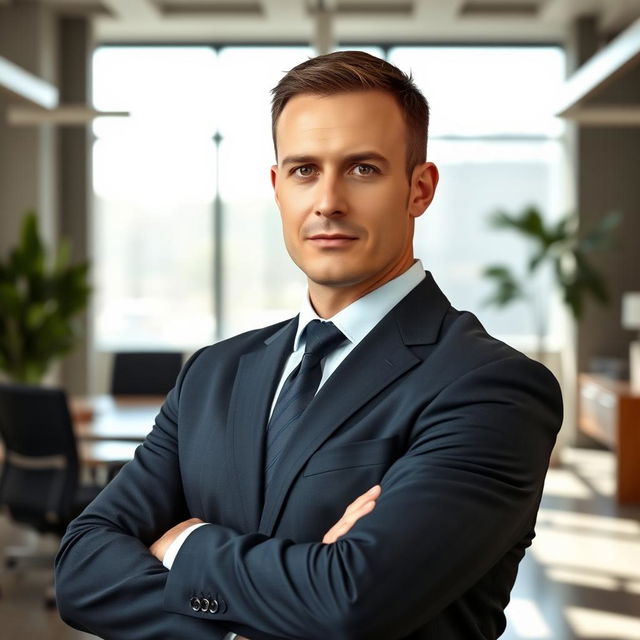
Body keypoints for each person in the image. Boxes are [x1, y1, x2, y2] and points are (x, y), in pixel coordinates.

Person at [55, 51, 562, 640]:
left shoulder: (492, 387)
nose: (328, 202)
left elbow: (353, 600)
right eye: (303, 171)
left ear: (419, 189)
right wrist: (279, 608)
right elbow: (82, 568)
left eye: (363, 169)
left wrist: (186, 541)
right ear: (277, 187)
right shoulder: (212, 374)